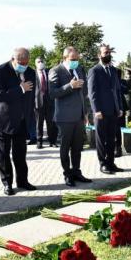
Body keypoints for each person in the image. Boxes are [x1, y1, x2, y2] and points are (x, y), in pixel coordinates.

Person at [0, 47, 37, 196]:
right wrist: (20, 88)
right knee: (3, 154)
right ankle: (7, 183)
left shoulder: (30, 72)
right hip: (1, 120)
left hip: (21, 120)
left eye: (26, 62)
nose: (24, 65)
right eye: (21, 62)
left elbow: (30, 97)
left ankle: (23, 181)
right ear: (13, 59)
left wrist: (29, 117)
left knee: (20, 153)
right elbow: (0, 95)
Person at [49, 46, 92, 187]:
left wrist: (85, 112)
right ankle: (67, 174)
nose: (76, 62)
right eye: (73, 59)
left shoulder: (79, 69)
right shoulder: (55, 71)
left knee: (77, 147)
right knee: (65, 147)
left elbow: (84, 93)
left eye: (77, 59)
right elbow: (53, 93)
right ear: (65, 58)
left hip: (79, 116)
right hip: (64, 117)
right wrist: (70, 86)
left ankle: (77, 172)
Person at [88, 43, 124, 174]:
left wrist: (119, 107)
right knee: (101, 139)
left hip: (113, 111)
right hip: (100, 112)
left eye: (109, 52)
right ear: (99, 55)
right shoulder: (94, 70)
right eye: (105, 53)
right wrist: (96, 110)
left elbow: (117, 90)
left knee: (111, 139)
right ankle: (103, 163)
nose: (108, 54)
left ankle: (111, 163)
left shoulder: (114, 70)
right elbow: (92, 92)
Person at [35, 56, 57, 149]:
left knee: (50, 123)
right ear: (35, 63)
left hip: (50, 102)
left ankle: (52, 141)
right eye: (38, 62)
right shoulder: (33, 74)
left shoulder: (49, 72)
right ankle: (39, 142)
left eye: (42, 61)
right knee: (39, 123)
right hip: (38, 102)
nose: (40, 63)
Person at [115, 68, 129, 157]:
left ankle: (118, 149)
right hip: (111, 107)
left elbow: (126, 90)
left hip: (121, 107)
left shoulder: (122, 82)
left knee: (118, 129)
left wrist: (118, 83)